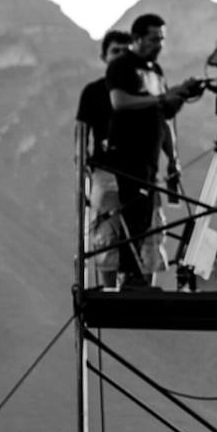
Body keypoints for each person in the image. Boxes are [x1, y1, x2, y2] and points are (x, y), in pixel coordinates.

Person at [108, 13, 201, 289]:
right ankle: (130, 277)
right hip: (127, 153)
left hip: (150, 158)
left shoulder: (156, 72)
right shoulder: (122, 66)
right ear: (137, 39)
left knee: (144, 216)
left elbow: (165, 113)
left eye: (161, 39)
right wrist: (161, 97)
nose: (158, 45)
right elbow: (119, 101)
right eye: (153, 39)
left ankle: (136, 275)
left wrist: (182, 93)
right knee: (132, 214)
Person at [78, 29, 132, 289]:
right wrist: (82, 164)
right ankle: (109, 289)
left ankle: (138, 285)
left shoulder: (142, 89)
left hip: (139, 171)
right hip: (105, 172)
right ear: (104, 56)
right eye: (115, 52)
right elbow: (81, 131)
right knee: (105, 233)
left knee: (147, 232)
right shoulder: (93, 92)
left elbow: (163, 127)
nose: (121, 56)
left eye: (125, 51)